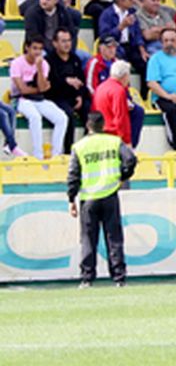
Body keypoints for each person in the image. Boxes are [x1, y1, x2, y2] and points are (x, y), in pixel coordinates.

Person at [66, 112, 137, 288]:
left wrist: (71, 199)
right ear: (103, 125)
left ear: (88, 126)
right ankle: (119, 278)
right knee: (114, 238)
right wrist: (122, 176)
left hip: (88, 198)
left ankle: (87, 278)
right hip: (110, 194)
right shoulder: (113, 141)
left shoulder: (79, 146)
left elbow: (73, 175)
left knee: (88, 239)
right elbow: (131, 159)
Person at [10, 36, 68, 158]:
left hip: (39, 99)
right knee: (35, 117)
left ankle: (56, 153)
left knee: (62, 118)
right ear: (27, 48)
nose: (37, 52)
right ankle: (38, 154)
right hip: (20, 99)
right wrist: (40, 89)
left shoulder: (44, 64)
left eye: (40, 49)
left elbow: (42, 88)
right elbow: (23, 90)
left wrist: (40, 69)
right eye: (34, 48)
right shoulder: (16, 63)